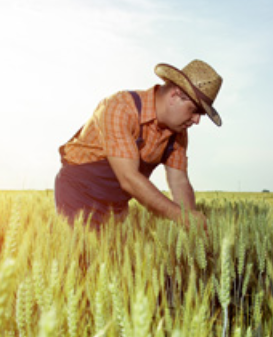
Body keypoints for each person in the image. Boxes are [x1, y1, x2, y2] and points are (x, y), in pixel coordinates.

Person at [54, 59, 223, 230]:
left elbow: (179, 181)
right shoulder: (120, 108)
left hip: (116, 205)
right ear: (174, 96)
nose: (197, 120)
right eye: (195, 110)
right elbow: (129, 178)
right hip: (77, 193)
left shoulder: (178, 132)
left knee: (114, 254)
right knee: (82, 253)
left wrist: (190, 224)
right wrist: (181, 217)